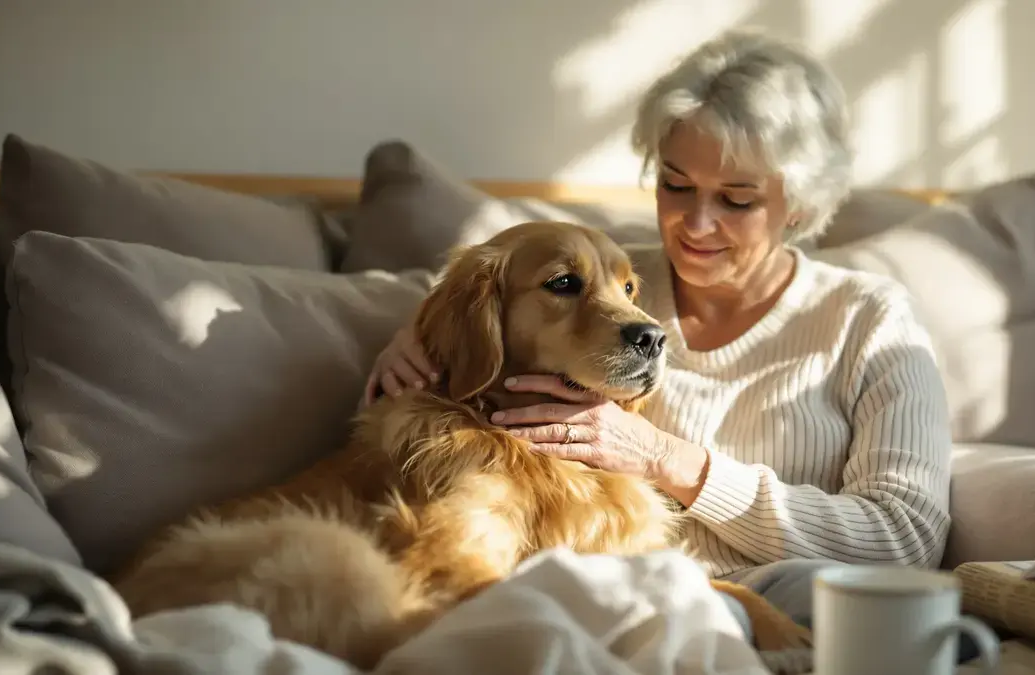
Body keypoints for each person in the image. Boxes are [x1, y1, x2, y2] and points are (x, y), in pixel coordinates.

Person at [363, 29, 953, 637]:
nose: (696, 225)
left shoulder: (870, 318)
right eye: (676, 185)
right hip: (608, 595)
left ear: (798, 206)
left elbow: (904, 539)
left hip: (784, 600)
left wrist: (666, 459)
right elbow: (492, 286)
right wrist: (418, 329)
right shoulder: (615, 279)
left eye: (736, 200)